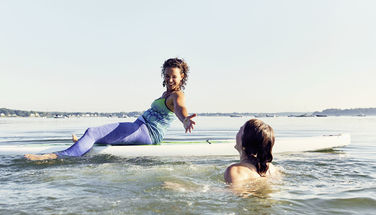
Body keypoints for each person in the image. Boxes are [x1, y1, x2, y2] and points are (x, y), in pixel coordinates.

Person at [25, 58, 196, 160]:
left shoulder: (177, 96)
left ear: (182, 77)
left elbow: (181, 109)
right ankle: (84, 145)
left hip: (146, 132)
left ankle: (56, 156)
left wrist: (185, 120)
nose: (170, 80)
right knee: (98, 135)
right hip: (141, 128)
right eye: (167, 76)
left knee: (92, 131)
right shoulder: (166, 93)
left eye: (174, 76)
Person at [224, 119, 279, 193]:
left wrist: (207, 189)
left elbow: (236, 192)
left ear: (245, 141)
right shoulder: (272, 169)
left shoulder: (235, 170)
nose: (236, 134)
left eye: (240, 130)